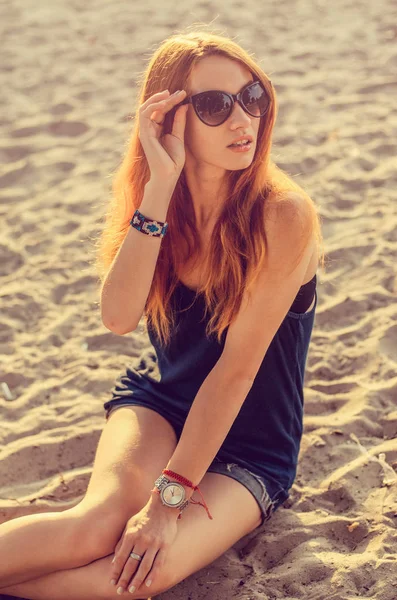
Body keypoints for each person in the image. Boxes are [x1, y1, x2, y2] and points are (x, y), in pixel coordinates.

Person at [0, 27, 324, 600]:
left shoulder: (283, 216)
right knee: (93, 529)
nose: (242, 120)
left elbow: (236, 374)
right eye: (214, 105)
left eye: (251, 97)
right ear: (172, 118)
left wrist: (165, 501)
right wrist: (158, 190)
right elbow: (119, 317)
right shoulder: (162, 207)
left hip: (251, 450)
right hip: (163, 408)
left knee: (133, 578)